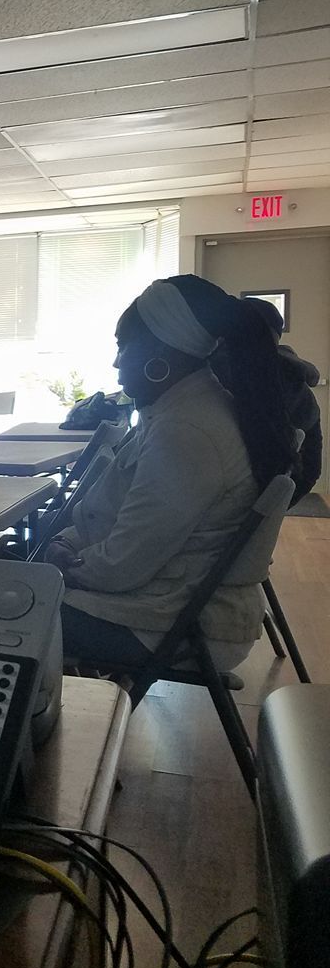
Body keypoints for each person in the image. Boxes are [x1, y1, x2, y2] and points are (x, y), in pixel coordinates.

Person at [44, 275, 297, 671]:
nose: (116, 361)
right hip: (163, 604)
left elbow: (122, 566)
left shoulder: (186, 432)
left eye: (122, 347)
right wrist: (66, 544)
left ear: (159, 354)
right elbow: (124, 530)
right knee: (1, 592)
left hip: (168, 624)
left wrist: (63, 565)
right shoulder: (181, 411)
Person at [239, 297, 320, 504]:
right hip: (269, 499)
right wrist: (273, 508)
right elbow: (311, 468)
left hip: (217, 509)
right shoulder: (301, 388)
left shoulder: (215, 375)